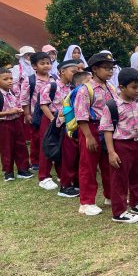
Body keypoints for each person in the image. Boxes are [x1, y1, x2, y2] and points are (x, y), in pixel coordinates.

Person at [100, 67, 138, 223]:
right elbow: (107, 129)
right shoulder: (112, 106)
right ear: (122, 87)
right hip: (121, 146)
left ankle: (136, 203)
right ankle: (119, 212)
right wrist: (111, 152)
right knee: (120, 179)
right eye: (134, 87)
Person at [75, 52, 118, 216]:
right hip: (91, 128)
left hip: (107, 130)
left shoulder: (111, 87)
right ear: (94, 69)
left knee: (109, 164)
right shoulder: (86, 89)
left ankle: (110, 195)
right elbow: (81, 115)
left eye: (111, 69)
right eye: (106, 68)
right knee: (88, 166)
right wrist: (88, 136)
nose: (110, 72)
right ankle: (86, 202)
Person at [38, 59, 79, 197]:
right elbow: (43, 104)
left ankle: (63, 175)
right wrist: (52, 120)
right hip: (51, 119)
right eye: (73, 71)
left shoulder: (72, 88)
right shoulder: (52, 86)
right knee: (48, 145)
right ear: (62, 71)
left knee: (64, 148)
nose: (76, 74)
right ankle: (44, 176)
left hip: (66, 121)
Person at [0, 68, 31, 181]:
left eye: (11, 78)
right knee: (7, 148)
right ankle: (8, 172)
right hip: (5, 125)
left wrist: (19, 110)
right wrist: (9, 112)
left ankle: (23, 169)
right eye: (5, 79)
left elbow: (18, 104)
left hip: (17, 122)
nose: (10, 81)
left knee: (21, 146)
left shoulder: (14, 92)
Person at [20, 52, 56, 174]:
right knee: (36, 138)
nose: (46, 66)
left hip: (52, 113)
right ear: (35, 66)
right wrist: (27, 114)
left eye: (48, 63)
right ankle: (35, 161)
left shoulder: (54, 78)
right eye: (42, 63)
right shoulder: (30, 80)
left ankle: (51, 157)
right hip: (37, 114)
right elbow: (24, 99)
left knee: (51, 136)